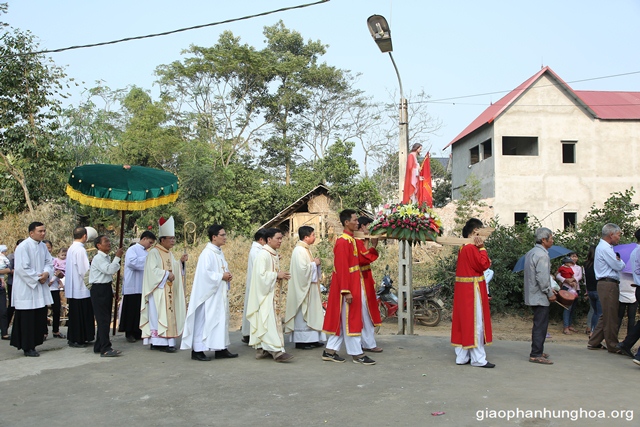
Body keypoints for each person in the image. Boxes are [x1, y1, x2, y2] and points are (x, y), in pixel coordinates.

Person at [322, 209, 375, 366]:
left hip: (353, 284)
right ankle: (357, 353)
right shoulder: (343, 242)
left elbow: (362, 259)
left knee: (344, 319)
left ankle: (329, 351)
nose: (357, 222)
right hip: (347, 287)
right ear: (346, 222)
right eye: (355, 220)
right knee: (350, 319)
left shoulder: (351, 240)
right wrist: (346, 291)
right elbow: (342, 268)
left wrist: (372, 246)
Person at [181, 224, 238, 361]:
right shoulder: (207, 253)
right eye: (222, 235)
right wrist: (221, 277)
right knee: (204, 321)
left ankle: (220, 348)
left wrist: (227, 275)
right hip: (208, 295)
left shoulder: (218, 252)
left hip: (219, 293)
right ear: (214, 237)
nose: (225, 237)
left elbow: (221, 269)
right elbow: (205, 274)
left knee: (220, 320)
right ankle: (197, 350)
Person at [451, 218, 494, 368]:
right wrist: (482, 249)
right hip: (472, 289)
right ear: (475, 231)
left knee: (465, 322)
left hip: (465, 290)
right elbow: (483, 264)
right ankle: (478, 359)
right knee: (476, 323)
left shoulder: (463, 247)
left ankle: (462, 357)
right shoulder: (471, 247)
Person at [246, 228, 294, 363]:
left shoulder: (271, 253)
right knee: (269, 321)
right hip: (266, 295)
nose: (280, 241)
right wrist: (276, 275)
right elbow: (260, 276)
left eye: (281, 238)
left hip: (271, 293)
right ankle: (276, 351)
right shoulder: (263, 255)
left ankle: (262, 350)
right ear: (269, 240)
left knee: (267, 322)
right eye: (278, 238)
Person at [140, 216, 187, 353]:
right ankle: (158, 342)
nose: (173, 241)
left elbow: (174, 269)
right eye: (170, 238)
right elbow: (151, 271)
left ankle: (168, 341)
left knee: (168, 315)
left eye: (173, 238)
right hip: (158, 291)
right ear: (162, 240)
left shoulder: (169, 254)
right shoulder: (154, 253)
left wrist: (181, 263)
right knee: (158, 315)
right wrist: (166, 274)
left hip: (169, 290)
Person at [10, 222, 54, 357]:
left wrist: (46, 273)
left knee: (38, 316)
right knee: (27, 319)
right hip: (27, 288)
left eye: (44, 231)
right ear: (31, 233)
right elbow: (22, 268)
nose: (43, 233)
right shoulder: (23, 247)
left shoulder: (43, 247)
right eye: (40, 231)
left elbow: (49, 262)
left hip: (39, 285)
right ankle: (27, 347)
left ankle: (35, 343)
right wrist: (37, 278)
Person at [284, 226, 325, 350]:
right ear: (306, 237)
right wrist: (314, 264)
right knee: (303, 314)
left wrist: (314, 264)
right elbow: (302, 271)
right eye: (313, 235)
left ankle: (313, 339)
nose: (315, 237)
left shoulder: (306, 249)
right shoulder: (299, 251)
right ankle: (302, 341)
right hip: (303, 289)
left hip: (310, 287)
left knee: (312, 312)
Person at [587, 223, 625, 353]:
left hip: (606, 283)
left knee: (606, 314)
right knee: (611, 316)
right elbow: (619, 265)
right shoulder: (606, 248)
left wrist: (619, 261)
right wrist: (620, 261)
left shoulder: (603, 247)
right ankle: (613, 344)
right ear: (611, 235)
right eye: (618, 235)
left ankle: (594, 341)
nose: (619, 238)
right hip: (608, 283)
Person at [523, 227, 557, 365]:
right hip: (539, 295)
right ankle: (536, 353)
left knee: (539, 323)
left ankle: (538, 350)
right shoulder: (542, 255)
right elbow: (542, 278)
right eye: (551, 238)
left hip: (532, 293)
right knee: (540, 325)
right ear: (544, 240)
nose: (552, 241)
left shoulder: (531, 252)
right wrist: (549, 292)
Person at [88, 235, 123, 357]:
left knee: (106, 318)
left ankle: (99, 345)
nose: (109, 243)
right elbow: (109, 270)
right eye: (106, 241)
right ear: (99, 245)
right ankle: (105, 348)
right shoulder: (99, 258)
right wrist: (117, 257)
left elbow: (106, 277)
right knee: (103, 319)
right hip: (99, 290)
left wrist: (112, 291)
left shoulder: (105, 257)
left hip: (105, 288)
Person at [119, 231, 156, 343]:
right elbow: (132, 263)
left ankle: (138, 331)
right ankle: (129, 332)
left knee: (139, 311)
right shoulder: (133, 249)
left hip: (142, 285)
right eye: (150, 242)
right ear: (144, 239)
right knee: (131, 310)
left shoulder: (146, 252)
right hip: (133, 285)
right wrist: (148, 261)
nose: (150, 245)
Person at [355, 216, 383, 353]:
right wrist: (373, 245)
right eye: (368, 226)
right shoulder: (355, 241)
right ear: (362, 227)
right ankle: (368, 343)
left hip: (364, 278)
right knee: (366, 312)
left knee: (365, 311)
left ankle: (364, 342)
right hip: (359, 280)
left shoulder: (360, 241)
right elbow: (364, 258)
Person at [66, 227, 94, 348]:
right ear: (84, 236)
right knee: (81, 314)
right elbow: (84, 270)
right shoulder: (80, 250)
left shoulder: (71, 248)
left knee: (75, 315)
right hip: (81, 287)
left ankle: (74, 337)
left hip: (73, 286)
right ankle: (79, 338)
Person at [241, 228, 267, 344]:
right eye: (267, 240)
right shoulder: (257, 251)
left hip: (256, 283)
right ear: (261, 240)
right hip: (256, 284)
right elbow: (261, 268)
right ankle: (250, 334)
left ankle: (249, 333)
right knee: (255, 309)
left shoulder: (258, 250)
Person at [1, 240, 21, 340]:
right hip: (12, 283)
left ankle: (5, 331)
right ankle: (5, 328)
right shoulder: (11, 257)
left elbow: (9, 269)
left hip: (4, 286)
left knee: (7, 309)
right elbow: (8, 270)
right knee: (11, 307)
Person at [556, 255, 581, 335]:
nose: (574, 258)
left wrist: (573, 280)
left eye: (576, 257)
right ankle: (566, 326)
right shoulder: (563, 267)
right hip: (566, 287)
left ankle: (570, 324)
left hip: (575, 287)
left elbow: (579, 276)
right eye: (572, 257)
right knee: (567, 307)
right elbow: (558, 275)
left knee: (573, 308)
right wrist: (566, 280)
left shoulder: (578, 268)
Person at [49, 246, 67, 339]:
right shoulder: (40, 260)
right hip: (44, 288)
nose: (48, 249)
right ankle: (43, 332)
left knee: (56, 309)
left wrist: (59, 274)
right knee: (43, 310)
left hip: (54, 288)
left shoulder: (55, 260)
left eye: (49, 247)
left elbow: (61, 274)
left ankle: (56, 330)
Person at [584, 245, 600, 336]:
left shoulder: (586, 264)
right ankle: (595, 332)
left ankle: (591, 328)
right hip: (598, 289)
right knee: (600, 313)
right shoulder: (598, 264)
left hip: (590, 290)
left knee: (593, 311)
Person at [617, 272, 637, 338]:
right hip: (633, 295)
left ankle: (615, 334)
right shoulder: (635, 272)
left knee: (619, 317)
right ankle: (629, 337)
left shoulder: (621, 271)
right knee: (631, 318)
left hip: (621, 294)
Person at [0, 245, 11, 340]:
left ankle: (4, 333)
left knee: (3, 311)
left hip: (1, 288)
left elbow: (8, 269)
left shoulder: (2, 258)